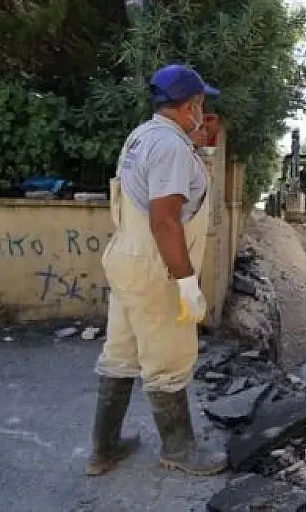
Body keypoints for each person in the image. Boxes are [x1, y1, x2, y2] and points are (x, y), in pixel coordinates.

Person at [85, 64, 227, 477]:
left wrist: (195, 146)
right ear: (188, 106)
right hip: (156, 269)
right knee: (169, 357)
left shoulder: (142, 137)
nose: (203, 113)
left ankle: (104, 449)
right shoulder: (170, 148)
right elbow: (165, 220)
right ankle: (179, 450)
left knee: (121, 353)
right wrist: (186, 282)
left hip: (127, 261)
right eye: (201, 104)